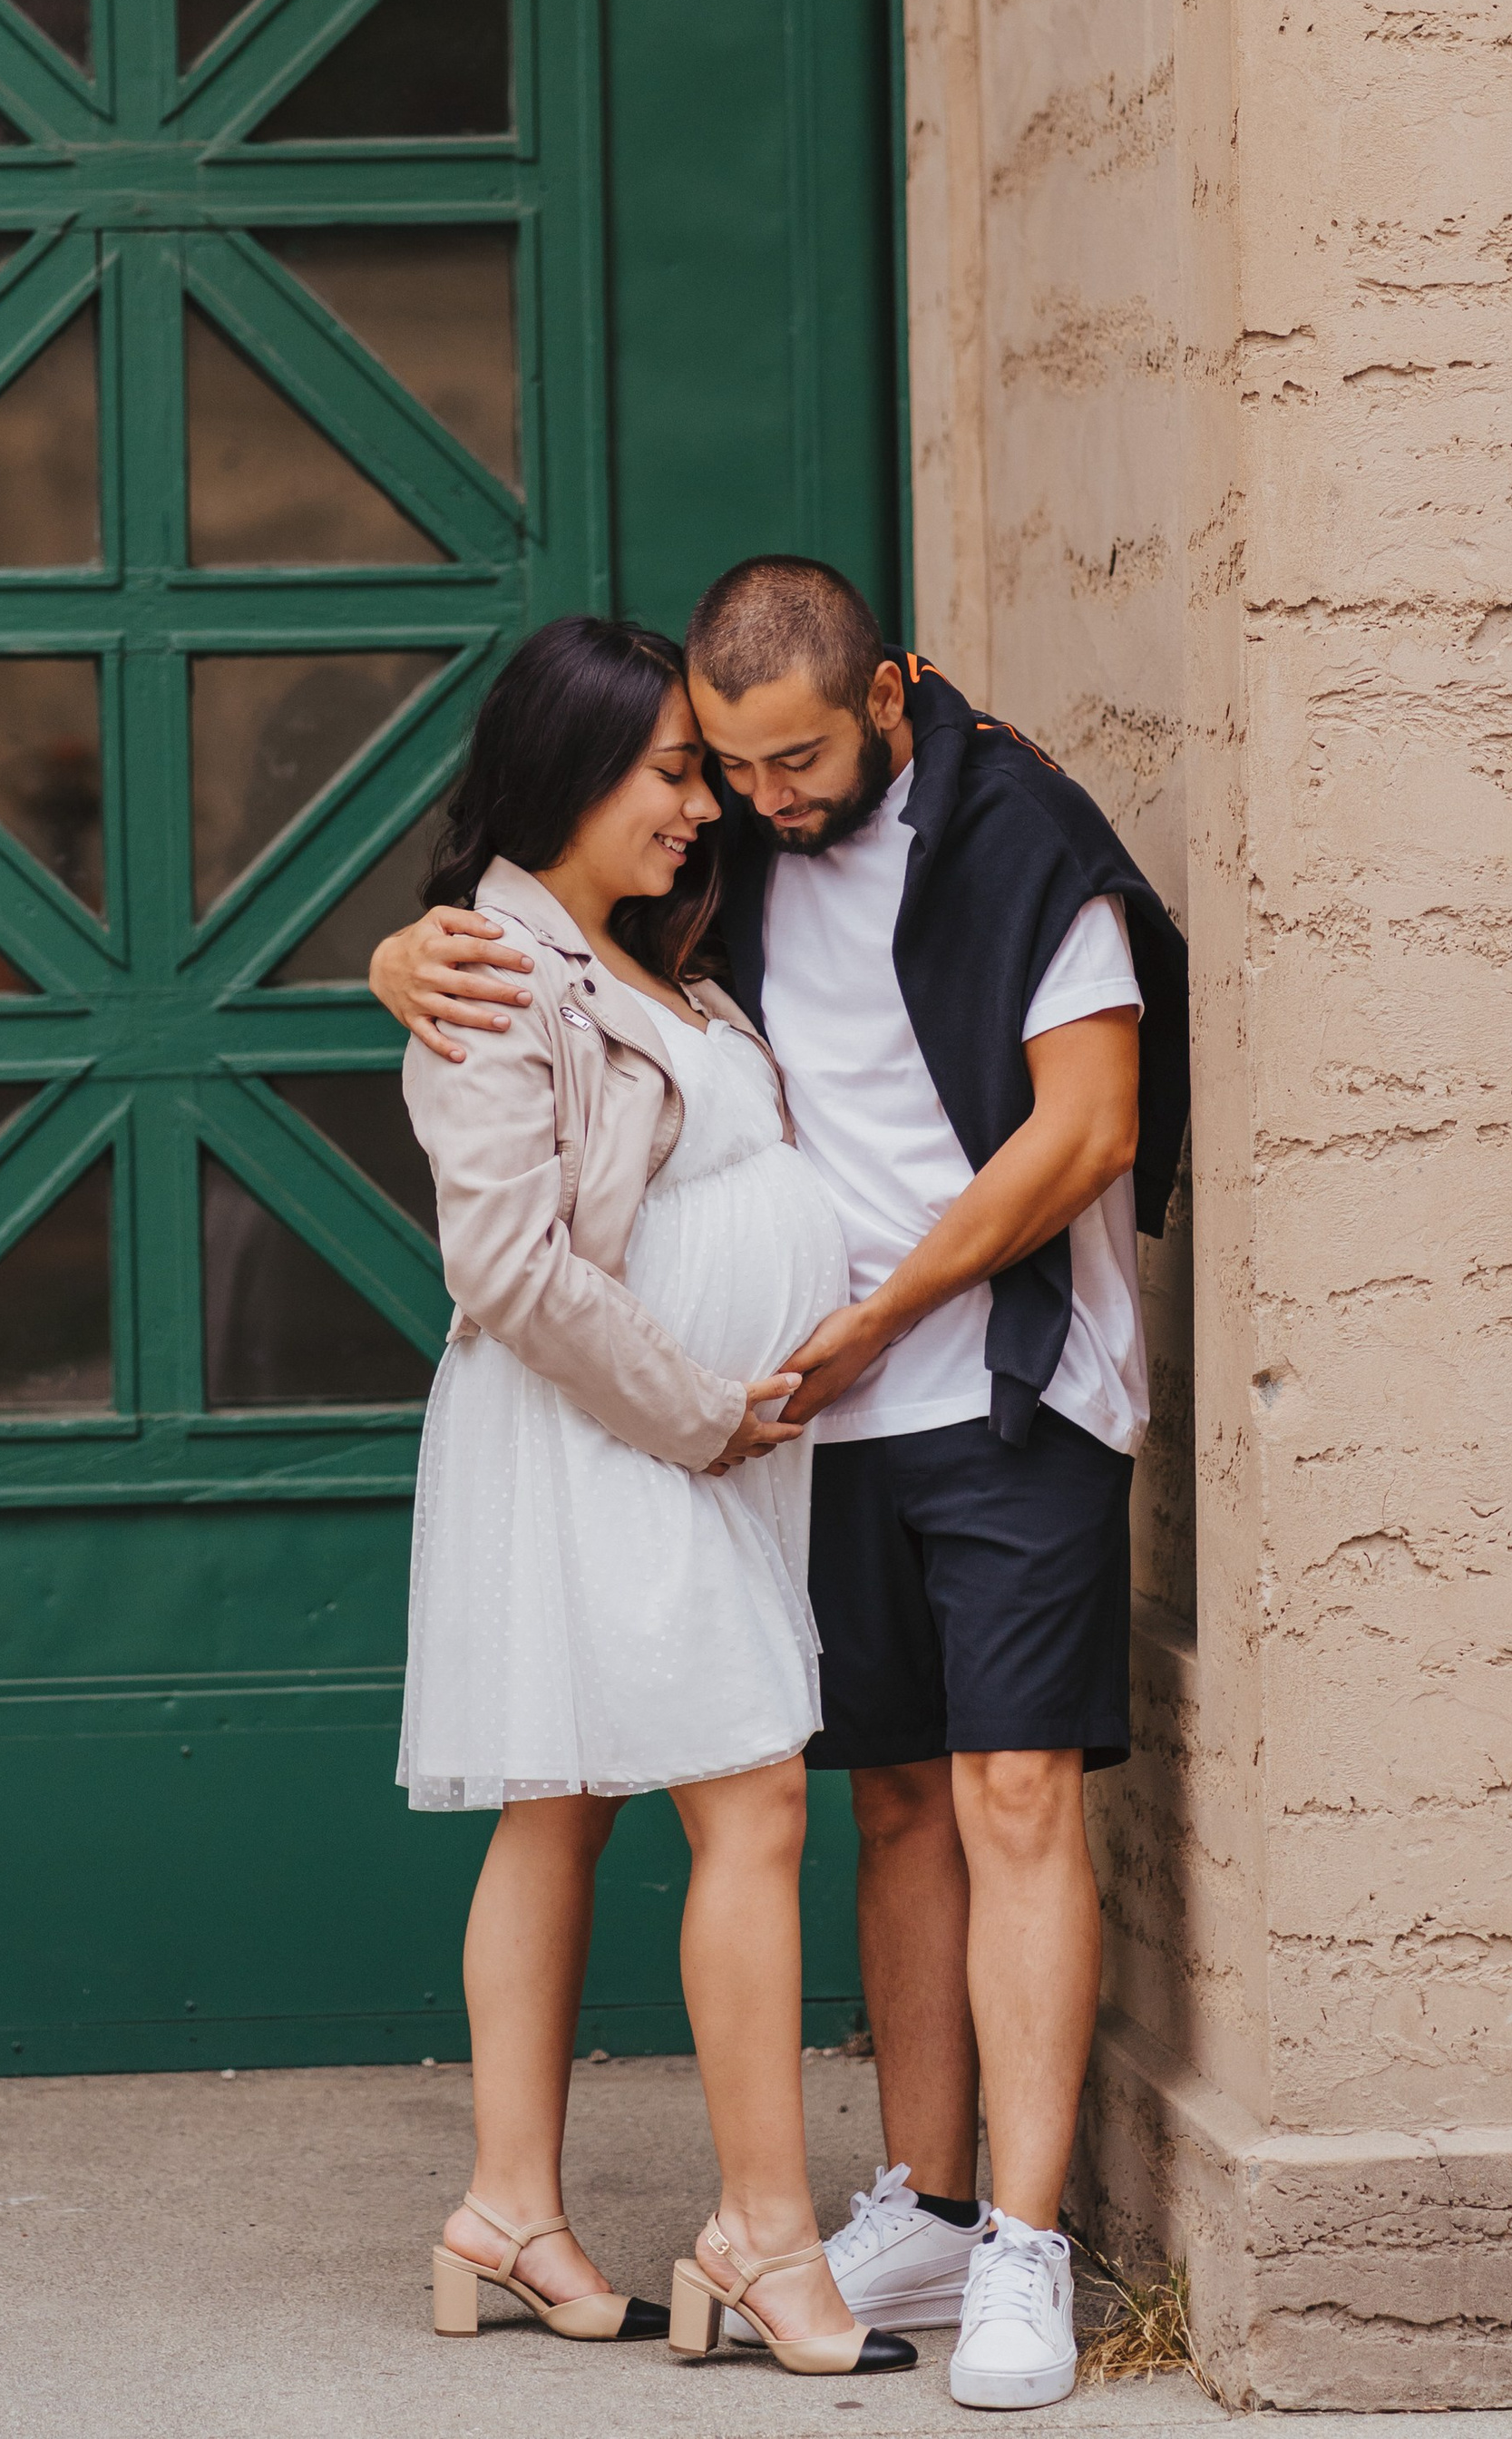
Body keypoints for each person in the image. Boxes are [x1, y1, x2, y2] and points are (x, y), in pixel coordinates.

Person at [374, 560, 1190, 2412]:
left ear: (888, 696)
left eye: (770, 764)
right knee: (811, 1804)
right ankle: (851, 2206)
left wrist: (846, 1328)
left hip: (935, 1396)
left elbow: (1090, 1125)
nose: (740, 801)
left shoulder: (980, 843)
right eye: (702, 769)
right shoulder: (624, 905)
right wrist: (401, 943)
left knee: (952, 1792)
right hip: (729, 1432)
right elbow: (512, 1174)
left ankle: (1002, 2248)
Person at [397, 612, 917, 2382]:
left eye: (709, 776)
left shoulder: (649, 957)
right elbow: (510, 1269)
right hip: (606, 1434)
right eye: (671, 774)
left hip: (690, 1446)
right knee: (750, 1793)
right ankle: (762, 2235)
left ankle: (506, 2212)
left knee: (560, 1806)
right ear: (566, 768)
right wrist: (699, 1411)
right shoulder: (491, 974)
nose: (703, 809)